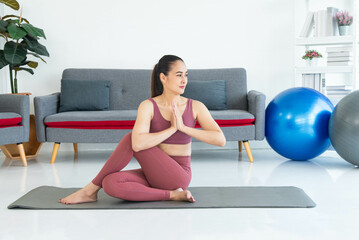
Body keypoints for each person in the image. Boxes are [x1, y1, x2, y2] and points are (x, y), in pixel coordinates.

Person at [59, 55, 226, 204]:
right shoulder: (148, 106)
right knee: (110, 183)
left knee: (131, 138)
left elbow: (220, 140)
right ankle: (171, 195)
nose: (184, 80)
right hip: (154, 172)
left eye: (186, 75)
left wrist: (183, 128)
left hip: (178, 175)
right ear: (163, 77)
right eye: (179, 75)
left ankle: (89, 190)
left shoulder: (195, 106)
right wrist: (171, 129)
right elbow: (138, 144)